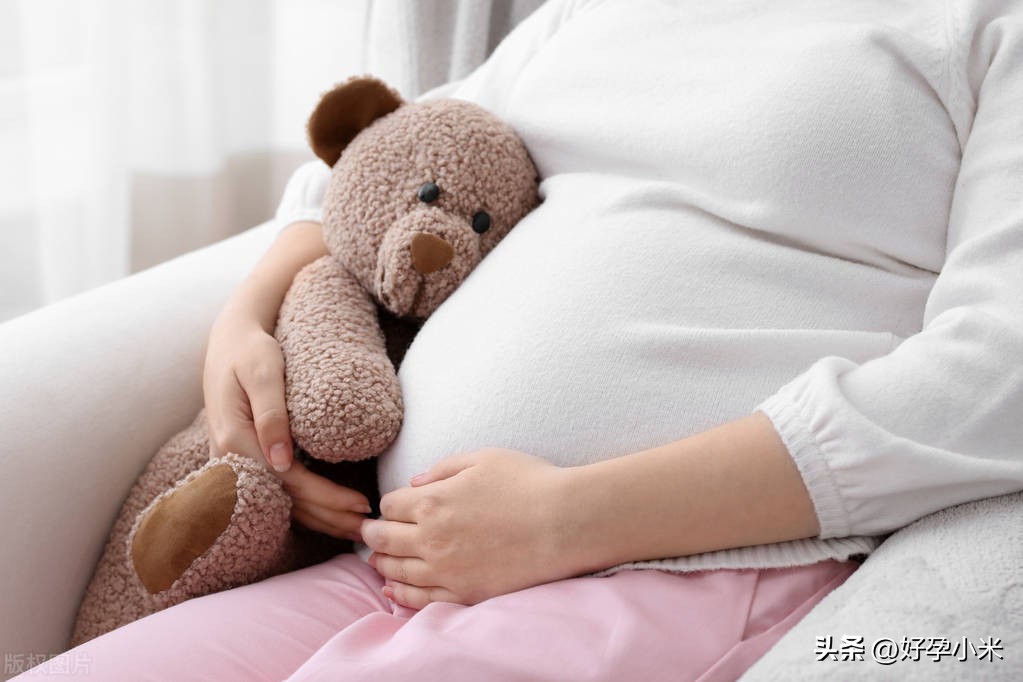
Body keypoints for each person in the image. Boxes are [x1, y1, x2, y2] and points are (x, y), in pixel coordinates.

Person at [23, 0, 1023, 679]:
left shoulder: (984, 29)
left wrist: (565, 520)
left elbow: (996, 373)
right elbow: (392, 155)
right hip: (406, 550)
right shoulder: (594, 16)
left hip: (687, 558)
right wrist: (243, 320)